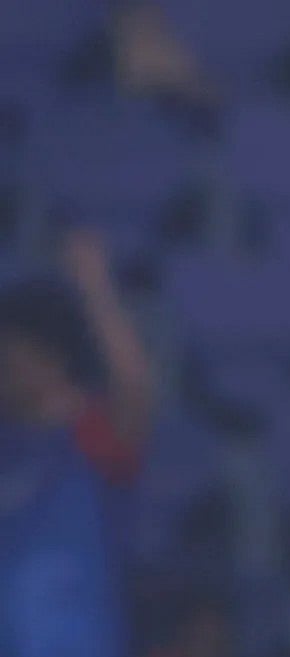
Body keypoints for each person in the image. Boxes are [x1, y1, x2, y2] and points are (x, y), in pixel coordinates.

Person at [0, 228, 153, 657]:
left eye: (10, 359)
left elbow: (133, 387)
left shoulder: (92, 439)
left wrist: (95, 288)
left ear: (52, 359)